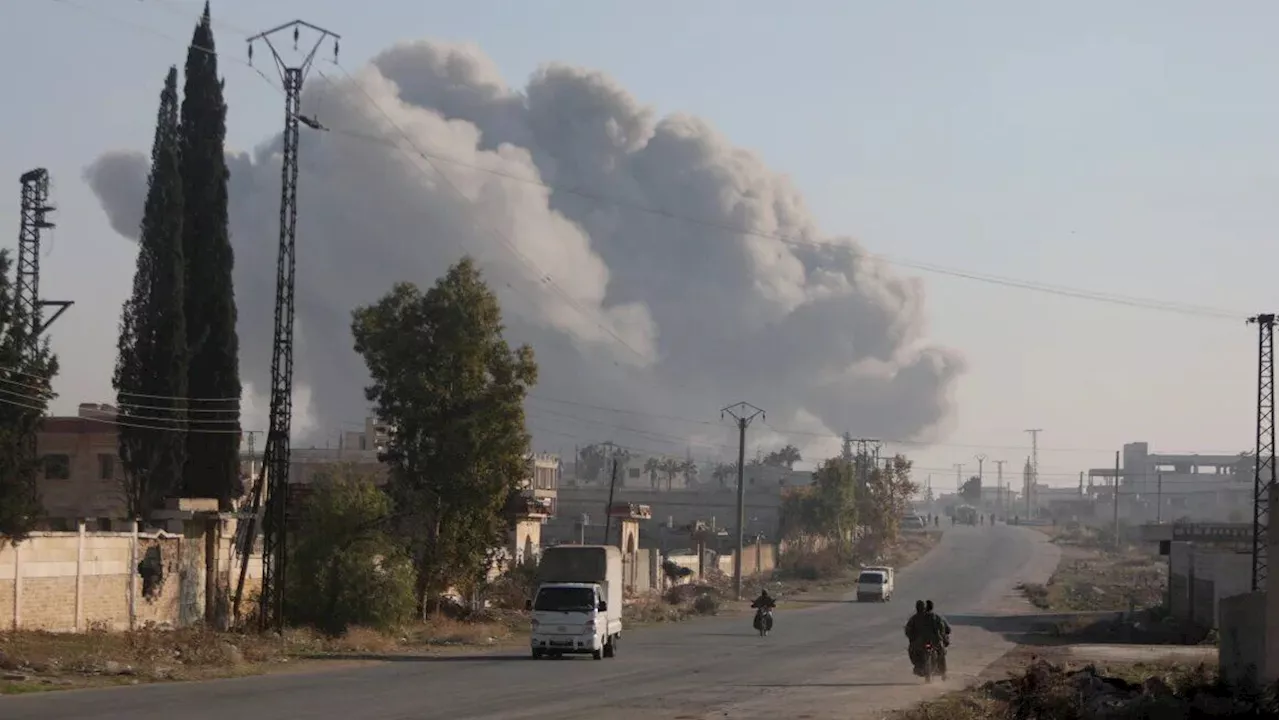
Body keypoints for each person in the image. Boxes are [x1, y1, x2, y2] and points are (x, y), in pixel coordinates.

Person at [905, 600, 947, 676]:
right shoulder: (933, 616)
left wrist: (912, 638)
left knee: (912, 650)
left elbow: (908, 631)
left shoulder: (915, 618)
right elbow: (942, 628)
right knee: (941, 652)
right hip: (933, 641)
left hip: (921, 642)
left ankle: (920, 666)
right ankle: (942, 671)